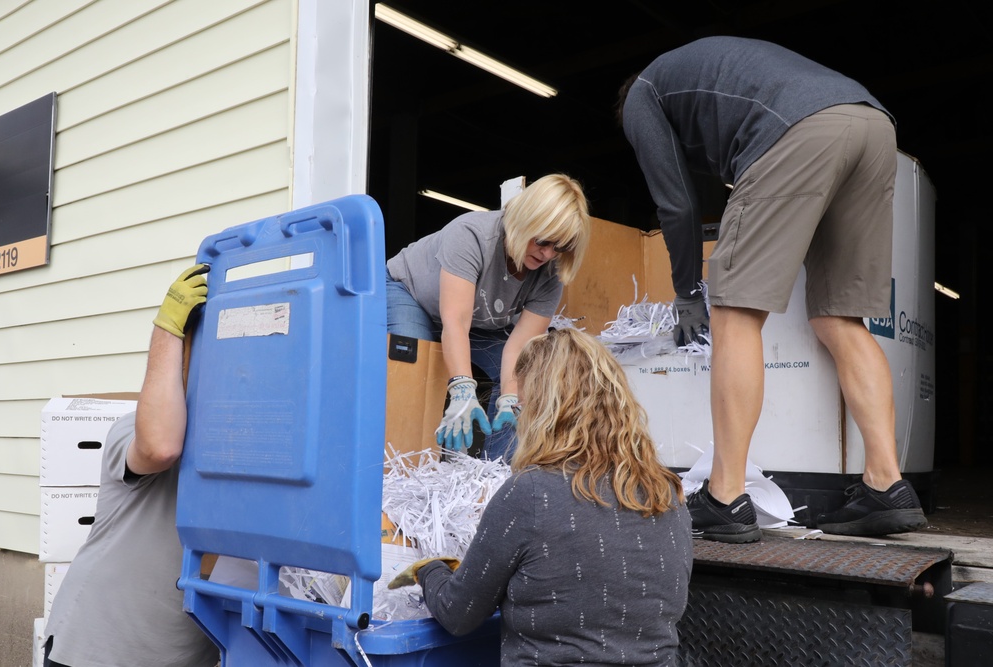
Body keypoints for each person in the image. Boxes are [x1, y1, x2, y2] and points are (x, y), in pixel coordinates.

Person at [617, 35, 928, 542]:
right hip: (872, 124)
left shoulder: (641, 97)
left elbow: (677, 205)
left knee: (735, 312)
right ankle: (886, 485)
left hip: (797, 130)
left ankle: (724, 496)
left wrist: (687, 294)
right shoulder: (706, 78)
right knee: (839, 317)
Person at [390, 327, 693, 666]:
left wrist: (429, 569)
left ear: (541, 409)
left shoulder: (531, 492)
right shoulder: (668, 491)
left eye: (521, 406)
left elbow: (458, 613)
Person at [43, 264, 219, 667]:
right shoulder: (132, 428)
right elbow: (159, 447)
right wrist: (167, 330)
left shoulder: (247, 444)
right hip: (93, 652)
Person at [386, 173, 591, 462]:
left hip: (478, 320)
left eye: (560, 247)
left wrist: (509, 396)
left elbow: (520, 345)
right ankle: (405, 465)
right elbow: (455, 322)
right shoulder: (472, 235)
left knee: (527, 376)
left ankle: (495, 473)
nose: (547, 254)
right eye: (544, 241)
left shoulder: (551, 272)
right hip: (411, 293)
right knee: (416, 360)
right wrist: (462, 388)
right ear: (526, 220)